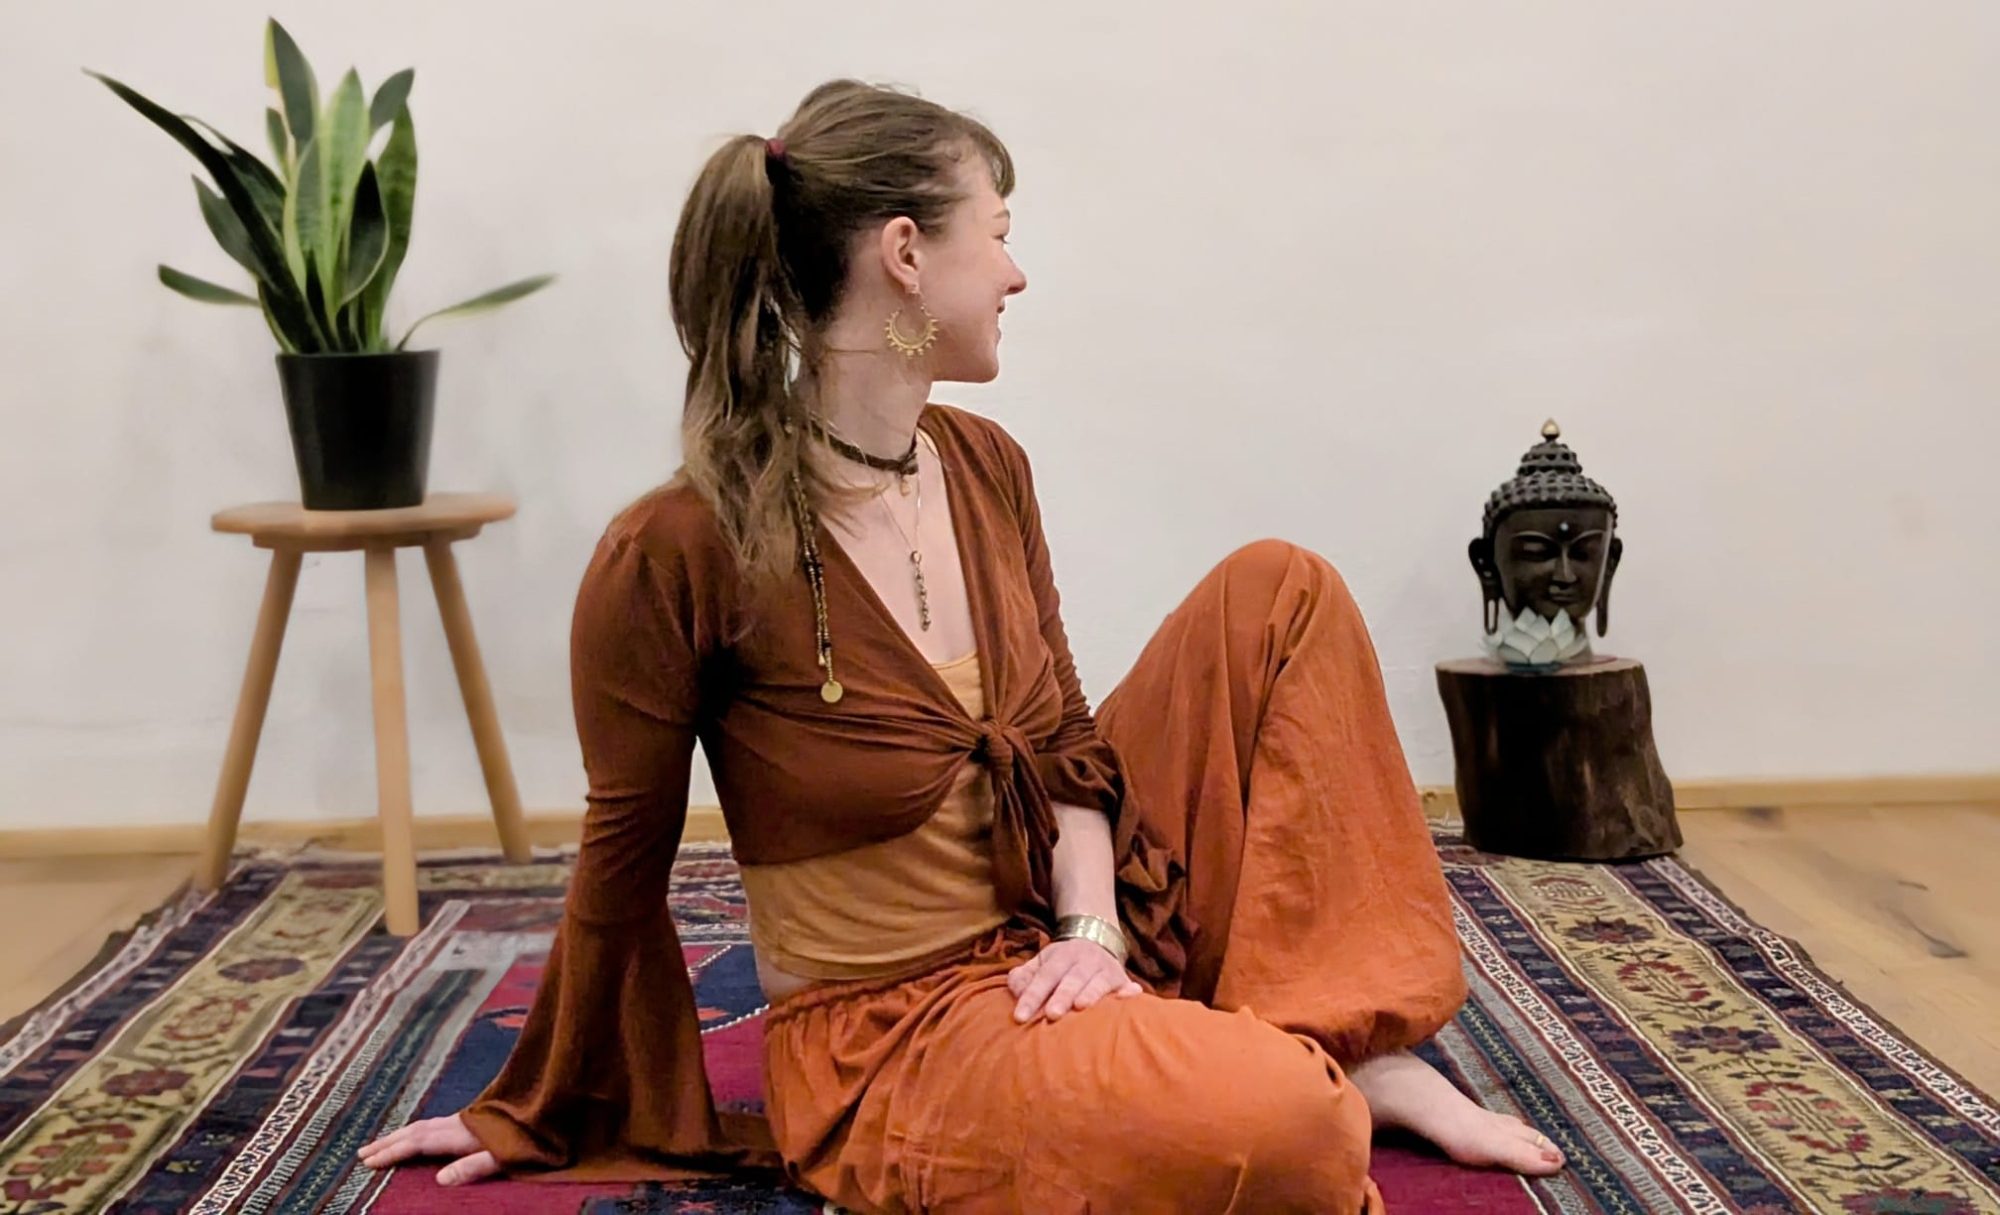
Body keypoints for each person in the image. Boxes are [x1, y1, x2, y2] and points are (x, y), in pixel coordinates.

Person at [358, 79, 1566, 1213]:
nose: (1015, 273)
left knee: (1280, 589)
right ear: (904, 254)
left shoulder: (986, 465)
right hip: (897, 1029)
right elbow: (622, 854)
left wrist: (1089, 932)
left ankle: (1348, 1043)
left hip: (1054, 922)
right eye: (996, 233)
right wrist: (538, 1102)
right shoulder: (678, 547)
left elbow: (1065, 745)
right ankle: (1273, 1067)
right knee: (1287, 1127)